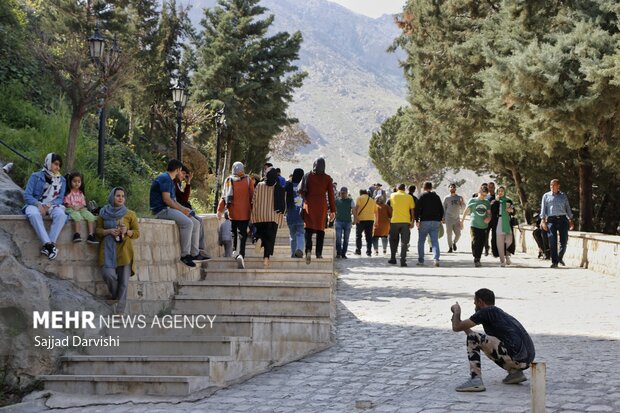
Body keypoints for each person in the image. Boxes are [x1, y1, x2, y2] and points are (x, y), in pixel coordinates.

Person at [450, 288, 535, 392]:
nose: (475, 307)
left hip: (516, 357)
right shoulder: (497, 313)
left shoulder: (486, 312)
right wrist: (463, 325)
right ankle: (515, 373)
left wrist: (456, 311)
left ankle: (475, 379)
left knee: (473, 337)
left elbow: (456, 327)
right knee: (479, 339)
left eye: (475, 303)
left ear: (480, 302)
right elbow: (477, 340)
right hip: (526, 359)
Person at [150, 159, 208, 268]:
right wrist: (182, 210)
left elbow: (174, 201)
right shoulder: (165, 179)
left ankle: (194, 253)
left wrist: (185, 210)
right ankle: (185, 255)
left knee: (195, 223)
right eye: (181, 171)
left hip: (169, 209)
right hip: (162, 210)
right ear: (177, 169)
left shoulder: (170, 181)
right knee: (188, 223)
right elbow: (167, 200)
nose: (182, 174)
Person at [96, 187, 140, 314]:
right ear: (112, 197)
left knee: (124, 283)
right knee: (107, 274)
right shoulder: (103, 213)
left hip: (124, 251)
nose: (120, 198)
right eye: (118, 196)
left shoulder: (130, 214)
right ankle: (115, 295)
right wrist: (108, 231)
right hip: (107, 249)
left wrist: (127, 231)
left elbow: (137, 233)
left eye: (122, 196)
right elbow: (97, 231)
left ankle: (120, 312)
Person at [23, 153, 68, 260]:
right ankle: (48, 244)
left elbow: (60, 198)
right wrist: (39, 205)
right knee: (33, 214)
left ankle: (49, 245)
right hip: (35, 204)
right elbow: (27, 195)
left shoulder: (62, 180)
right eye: (56, 164)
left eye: (59, 165)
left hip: (52, 205)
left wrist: (49, 204)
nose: (58, 167)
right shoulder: (35, 176)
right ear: (48, 162)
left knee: (61, 215)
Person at [299, 158, 336, 264]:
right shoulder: (328, 178)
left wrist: (306, 198)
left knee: (308, 229)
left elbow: (300, 190)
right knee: (320, 230)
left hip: (309, 204)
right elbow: (331, 195)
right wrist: (333, 210)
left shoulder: (307, 175)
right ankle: (319, 253)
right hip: (321, 206)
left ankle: (308, 250)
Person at [218, 162, 254, 269]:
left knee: (233, 232)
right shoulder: (248, 180)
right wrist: (253, 211)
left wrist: (219, 210)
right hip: (245, 213)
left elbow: (224, 196)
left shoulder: (229, 180)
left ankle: (234, 251)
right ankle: (241, 254)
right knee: (242, 234)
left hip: (232, 212)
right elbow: (252, 196)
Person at [251, 167, 285, 267]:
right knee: (270, 239)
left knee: (261, 233)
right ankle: (266, 258)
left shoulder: (259, 185)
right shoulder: (278, 187)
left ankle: (259, 240)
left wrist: (254, 215)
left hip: (260, 216)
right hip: (272, 217)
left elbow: (254, 200)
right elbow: (282, 204)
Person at [175, 166, 210, 258]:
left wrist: (188, 183)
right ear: (177, 171)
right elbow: (182, 199)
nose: (184, 176)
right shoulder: (173, 183)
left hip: (184, 209)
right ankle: (193, 252)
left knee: (200, 221)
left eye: (185, 175)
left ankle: (199, 249)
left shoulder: (178, 184)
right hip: (179, 209)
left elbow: (184, 198)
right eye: (183, 174)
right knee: (195, 223)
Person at [540, 179, 574, 268]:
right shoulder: (546, 196)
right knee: (552, 240)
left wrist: (571, 219)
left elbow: (568, 207)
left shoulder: (563, 196)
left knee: (564, 241)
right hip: (551, 220)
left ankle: (559, 257)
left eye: (554, 185)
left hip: (563, 219)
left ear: (558, 186)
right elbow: (543, 209)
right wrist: (543, 221)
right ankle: (554, 262)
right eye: (551, 185)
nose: (552, 186)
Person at [64, 171, 98, 244]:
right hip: (71, 209)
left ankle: (91, 235)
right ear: (70, 182)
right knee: (77, 216)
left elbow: (83, 204)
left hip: (80, 208)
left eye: (79, 181)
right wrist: (73, 207)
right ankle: (77, 234)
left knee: (90, 216)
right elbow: (66, 204)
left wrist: (79, 207)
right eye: (74, 181)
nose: (77, 183)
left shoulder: (80, 193)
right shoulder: (69, 192)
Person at [462, 185, 492, 267]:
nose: (483, 197)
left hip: (484, 226)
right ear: (479, 192)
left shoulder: (487, 203)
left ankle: (477, 259)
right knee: (475, 241)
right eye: (482, 194)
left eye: (485, 195)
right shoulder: (472, 200)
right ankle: (476, 255)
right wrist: (462, 221)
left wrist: (489, 218)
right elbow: (466, 211)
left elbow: (489, 213)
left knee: (481, 242)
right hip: (474, 225)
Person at [416, 182, 444, 267]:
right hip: (435, 222)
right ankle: (436, 259)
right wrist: (439, 219)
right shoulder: (436, 197)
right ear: (431, 188)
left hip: (424, 221)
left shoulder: (421, 196)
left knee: (421, 241)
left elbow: (417, 209)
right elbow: (441, 209)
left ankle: (421, 261)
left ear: (424, 188)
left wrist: (417, 220)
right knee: (435, 241)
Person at [388, 183, 415, 267]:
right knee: (404, 242)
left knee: (393, 240)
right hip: (405, 222)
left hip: (394, 221)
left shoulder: (392, 195)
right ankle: (403, 261)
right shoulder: (409, 197)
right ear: (405, 189)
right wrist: (412, 221)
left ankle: (393, 258)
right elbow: (412, 210)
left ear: (397, 188)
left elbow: (390, 208)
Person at [490, 186, 516, 267]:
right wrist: (496, 202)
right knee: (500, 243)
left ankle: (507, 255)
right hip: (498, 222)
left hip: (507, 222)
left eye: (502, 191)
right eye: (499, 191)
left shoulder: (509, 200)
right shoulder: (495, 201)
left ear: (505, 191)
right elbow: (492, 212)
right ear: (497, 192)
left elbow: (514, 210)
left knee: (509, 240)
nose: (500, 192)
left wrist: (511, 210)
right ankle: (502, 261)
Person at [285, 168, 305, 258]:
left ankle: (293, 254)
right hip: (301, 214)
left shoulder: (288, 185)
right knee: (300, 233)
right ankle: (300, 249)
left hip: (291, 214)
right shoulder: (304, 186)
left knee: (293, 236)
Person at [334, 187, 356, 259]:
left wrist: (355, 219)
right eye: (341, 193)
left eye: (344, 193)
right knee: (338, 238)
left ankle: (343, 253)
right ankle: (338, 253)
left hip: (347, 222)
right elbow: (333, 210)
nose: (342, 194)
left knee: (346, 239)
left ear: (347, 193)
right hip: (338, 221)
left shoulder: (350, 201)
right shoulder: (337, 200)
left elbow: (353, 210)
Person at [443, 183, 464, 253]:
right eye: (451, 187)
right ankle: (450, 247)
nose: (452, 188)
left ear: (455, 189)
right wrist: (442, 218)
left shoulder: (459, 197)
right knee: (449, 234)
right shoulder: (446, 198)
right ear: (449, 188)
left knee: (458, 234)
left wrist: (462, 203)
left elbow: (464, 208)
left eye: (453, 187)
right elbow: (443, 208)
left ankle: (454, 242)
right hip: (448, 218)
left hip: (457, 219)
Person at [354, 189, 376, 257]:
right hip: (370, 219)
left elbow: (357, 208)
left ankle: (358, 250)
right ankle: (369, 251)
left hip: (361, 219)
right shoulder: (372, 200)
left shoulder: (359, 198)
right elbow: (375, 210)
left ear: (360, 193)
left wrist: (355, 218)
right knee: (369, 236)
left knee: (359, 235)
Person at [484, 182, 497, 256]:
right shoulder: (485, 197)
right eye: (490, 187)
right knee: (486, 235)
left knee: (494, 235)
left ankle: (493, 249)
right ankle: (486, 248)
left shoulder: (497, 197)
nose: (491, 189)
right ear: (488, 188)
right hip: (487, 219)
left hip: (495, 219)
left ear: (494, 188)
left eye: (492, 187)